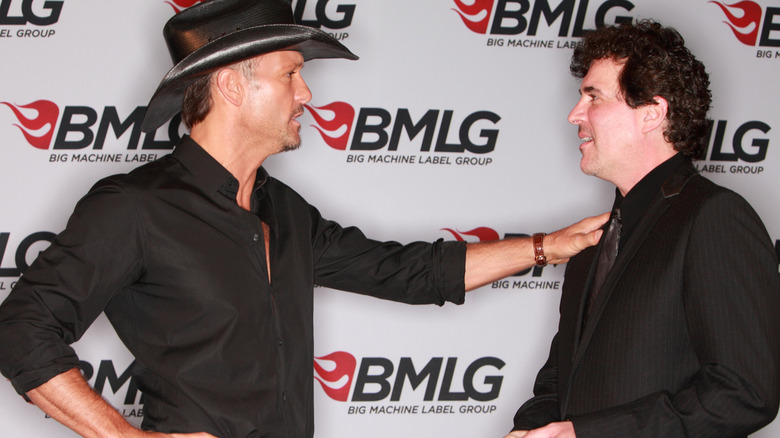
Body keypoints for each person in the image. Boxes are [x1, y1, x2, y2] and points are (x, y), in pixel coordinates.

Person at [0, 1, 607, 437]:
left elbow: (409, 272)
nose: (307, 95)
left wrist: (546, 247)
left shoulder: (283, 209)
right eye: (291, 73)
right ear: (232, 87)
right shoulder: (135, 205)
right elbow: (21, 328)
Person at [506, 20, 780, 438]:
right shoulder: (593, 240)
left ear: (652, 113)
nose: (574, 114)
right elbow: (560, 382)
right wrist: (528, 430)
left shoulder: (714, 217)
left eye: (593, 97)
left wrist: (589, 434)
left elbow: (743, 392)